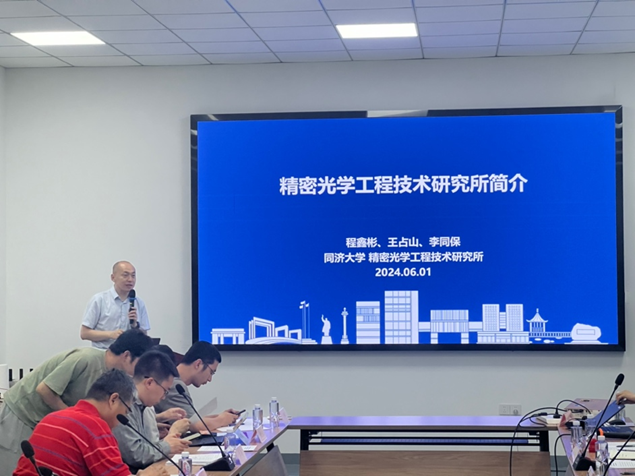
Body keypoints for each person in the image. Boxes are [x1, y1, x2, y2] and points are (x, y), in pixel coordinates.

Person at [0, 329, 153, 473]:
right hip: (21, 414)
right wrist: (74, 421)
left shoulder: (111, 375)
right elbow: (44, 390)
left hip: (43, 420)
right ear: (127, 356)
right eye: (139, 365)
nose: (140, 372)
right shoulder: (85, 358)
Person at [13, 369, 167, 476]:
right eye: (126, 411)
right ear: (113, 399)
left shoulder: (52, 417)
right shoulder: (95, 426)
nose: (120, 422)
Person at [113, 351, 190, 470]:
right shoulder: (123, 404)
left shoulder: (147, 406)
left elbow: (149, 446)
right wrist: (168, 444)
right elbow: (136, 455)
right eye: (165, 390)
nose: (164, 397)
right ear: (149, 383)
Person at [154, 341, 238, 432]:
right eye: (211, 372)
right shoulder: (174, 385)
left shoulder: (175, 381)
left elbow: (194, 419)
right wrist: (222, 420)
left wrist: (220, 416)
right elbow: (195, 425)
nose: (210, 379)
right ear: (198, 364)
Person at [81, 261, 151, 349]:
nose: (130, 279)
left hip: (129, 355)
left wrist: (135, 325)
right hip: (102, 353)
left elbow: (144, 336)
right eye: (125, 275)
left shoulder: (139, 303)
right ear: (113, 277)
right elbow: (84, 333)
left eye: (133, 276)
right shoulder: (99, 300)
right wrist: (110, 334)